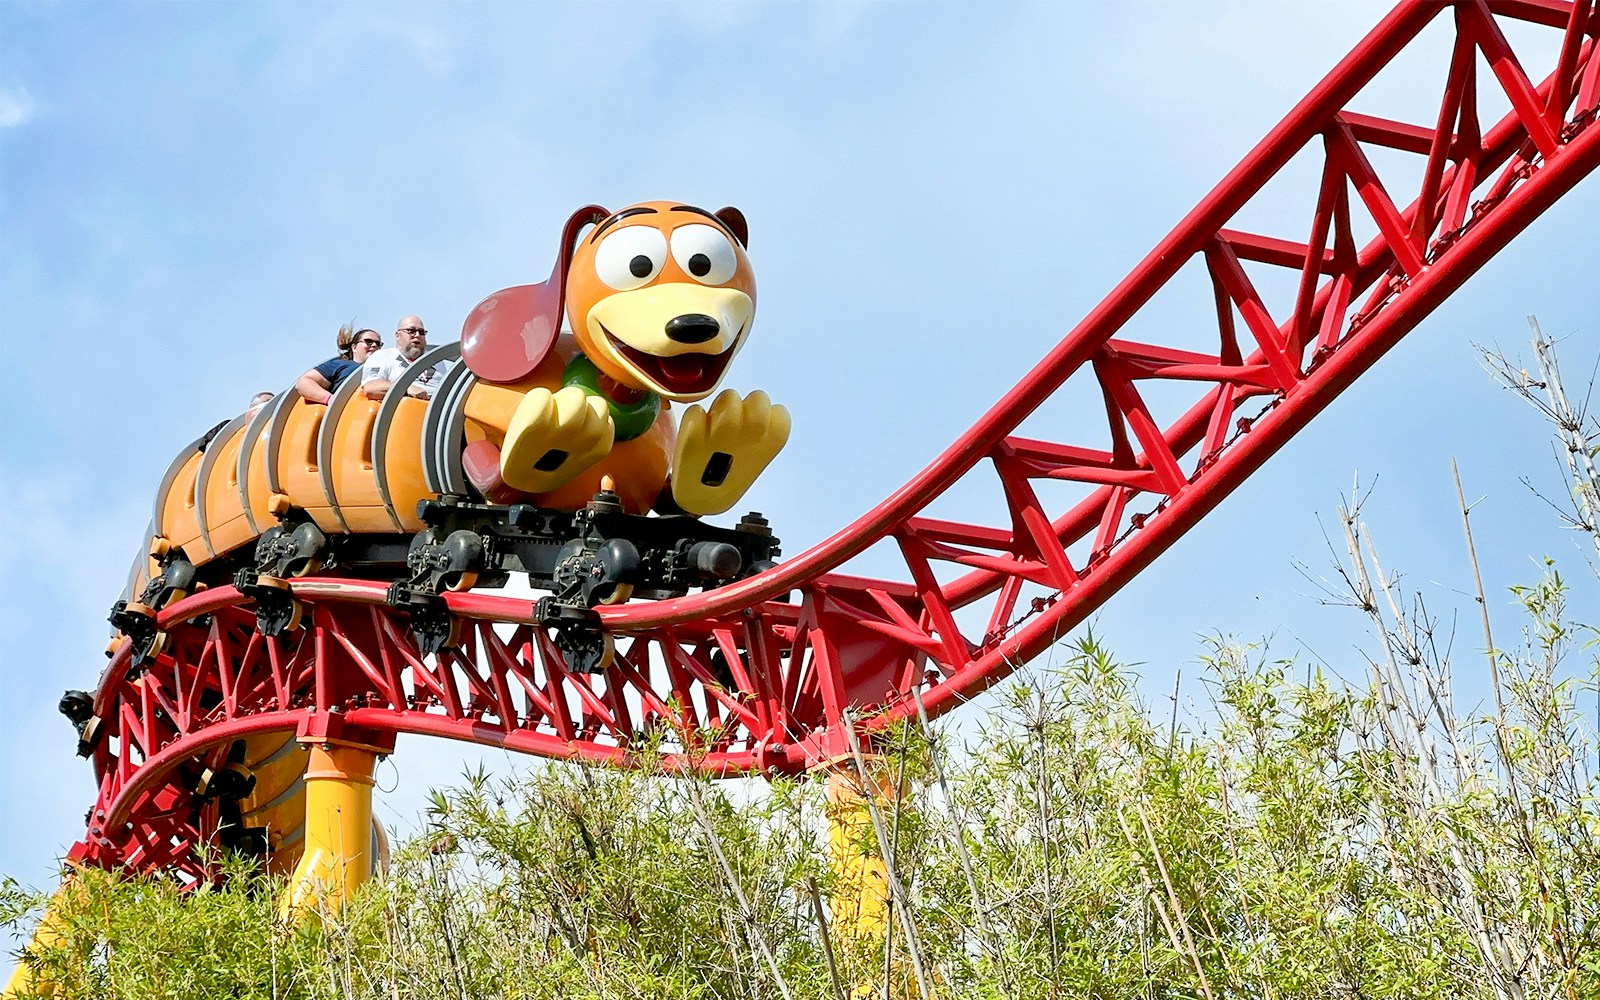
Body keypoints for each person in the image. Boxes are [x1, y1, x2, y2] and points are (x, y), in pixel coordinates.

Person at [361, 315, 453, 400]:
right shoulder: (383, 356)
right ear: (397, 335)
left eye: (421, 332)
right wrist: (405, 388)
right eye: (411, 331)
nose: (417, 335)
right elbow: (370, 387)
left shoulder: (439, 362)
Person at [294, 325, 383, 404]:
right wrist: (332, 400)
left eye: (378, 343)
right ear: (354, 347)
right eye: (368, 341)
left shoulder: (385, 369)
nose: (374, 345)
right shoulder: (340, 364)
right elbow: (304, 383)